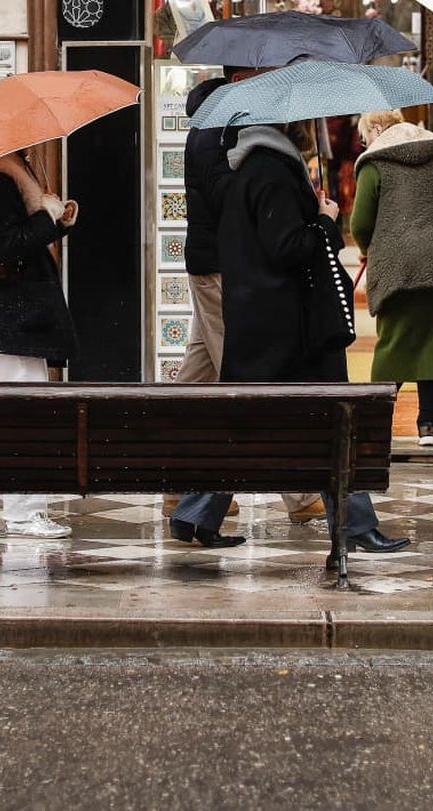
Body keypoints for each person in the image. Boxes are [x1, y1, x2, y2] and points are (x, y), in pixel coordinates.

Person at [170, 120, 411, 563]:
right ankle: (357, 527)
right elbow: (288, 247)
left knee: (246, 425)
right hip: (292, 329)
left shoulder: (247, 167)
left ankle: (196, 512)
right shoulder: (272, 171)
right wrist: (325, 220)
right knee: (337, 424)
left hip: (262, 324)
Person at [168, 71, 324, 537]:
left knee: (200, 374)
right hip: (221, 269)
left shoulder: (214, 130)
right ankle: (298, 496)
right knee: (248, 381)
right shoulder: (215, 134)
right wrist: (261, 173)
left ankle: (176, 482)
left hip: (214, 265)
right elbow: (226, 197)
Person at [349, 108, 433, 447]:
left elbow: (360, 224)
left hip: (402, 265)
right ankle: (429, 426)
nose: (363, 142)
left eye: (364, 134)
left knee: (395, 343)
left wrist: (372, 249)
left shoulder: (375, 161)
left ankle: (375, 426)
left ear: (378, 128)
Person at [0, 149, 77, 538]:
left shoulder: (12, 177)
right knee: (24, 412)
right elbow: (9, 245)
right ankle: (21, 513)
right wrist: (47, 216)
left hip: (20, 315)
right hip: (10, 313)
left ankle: (29, 508)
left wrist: (59, 223)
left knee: (31, 408)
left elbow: (20, 238)